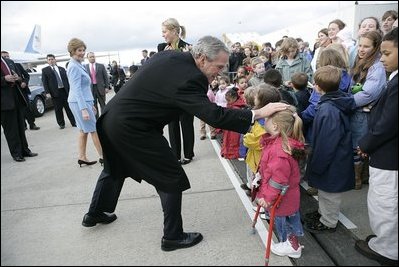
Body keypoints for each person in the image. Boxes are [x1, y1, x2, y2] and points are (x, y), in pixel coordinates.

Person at [81, 36, 289, 252]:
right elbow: (214, 116)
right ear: (201, 58)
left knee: (114, 167)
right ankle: (173, 236)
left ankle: (95, 213)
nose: (219, 71)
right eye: (217, 66)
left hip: (110, 119)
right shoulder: (191, 78)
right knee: (170, 177)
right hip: (133, 128)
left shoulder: (169, 56)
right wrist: (257, 113)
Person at [355, 27, 398, 266]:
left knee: (385, 202)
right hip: (388, 152)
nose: (382, 58)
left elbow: (388, 124)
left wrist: (366, 144)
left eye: (387, 53)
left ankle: (388, 249)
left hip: (389, 156)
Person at [303, 65, 356, 233]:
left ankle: (328, 221)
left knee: (329, 192)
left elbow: (327, 143)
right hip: (335, 158)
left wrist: (317, 164)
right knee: (325, 191)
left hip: (332, 160)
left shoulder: (328, 109)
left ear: (318, 86)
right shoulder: (334, 102)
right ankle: (322, 213)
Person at [256, 105, 306, 258]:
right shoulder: (279, 143)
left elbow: (277, 180)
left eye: (267, 119)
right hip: (284, 194)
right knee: (285, 218)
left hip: (281, 196)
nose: (264, 121)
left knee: (286, 221)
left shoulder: (279, 151)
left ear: (275, 125)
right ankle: (289, 242)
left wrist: (267, 197)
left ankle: (292, 246)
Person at [157, 18, 194, 165]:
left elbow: (192, 70)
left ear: (174, 31)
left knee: (186, 123)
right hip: (169, 92)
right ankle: (175, 155)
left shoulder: (189, 48)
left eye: (164, 31)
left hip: (186, 92)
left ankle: (189, 154)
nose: (163, 35)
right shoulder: (161, 48)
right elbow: (159, 68)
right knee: (172, 125)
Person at [66, 38, 103, 167]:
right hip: (79, 102)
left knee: (83, 130)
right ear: (72, 51)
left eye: (83, 50)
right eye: (79, 50)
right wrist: (84, 109)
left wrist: (90, 104)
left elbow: (83, 88)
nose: (82, 53)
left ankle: (82, 157)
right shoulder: (73, 66)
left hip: (82, 101)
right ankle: (104, 157)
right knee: (94, 129)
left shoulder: (77, 64)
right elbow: (76, 89)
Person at [1, 55, 38, 162]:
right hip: (4, 103)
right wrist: (4, 79)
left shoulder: (9, 61)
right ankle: (16, 153)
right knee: (11, 130)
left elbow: (21, 76)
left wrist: (18, 78)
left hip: (17, 97)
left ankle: (25, 150)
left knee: (21, 127)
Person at [1, 51, 40, 130]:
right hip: (12, 94)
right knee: (19, 111)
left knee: (27, 108)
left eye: (8, 56)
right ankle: (23, 126)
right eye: (4, 57)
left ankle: (32, 124)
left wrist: (23, 82)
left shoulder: (17, 65)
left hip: (22, 91)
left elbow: (26, 75)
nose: (7, 58)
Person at [42, 54, 76, 129]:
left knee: (69, 108)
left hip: (64, 91)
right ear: (47, 61)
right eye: (49, 60)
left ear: (55, 59)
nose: (51, 61)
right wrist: (47, 92)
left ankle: (73, 122)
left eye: (52, 59)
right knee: (58, 109)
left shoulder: (62, 69)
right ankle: (61, 124)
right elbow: (45, 82)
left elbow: (67, 80)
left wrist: (71, 90)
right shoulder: (45, 70)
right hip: (55, 93)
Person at [85, 52, 110, 119]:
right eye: (90, 57)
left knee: (103, 104)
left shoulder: (101, 66)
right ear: (87, 58)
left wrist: (107, 87)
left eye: (93, 56)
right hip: (91, 89)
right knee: (94, 106)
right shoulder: (85, 67)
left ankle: (104, 118)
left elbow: (106, 77)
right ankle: (97, 119)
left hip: (100, 88)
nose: (92, 58)